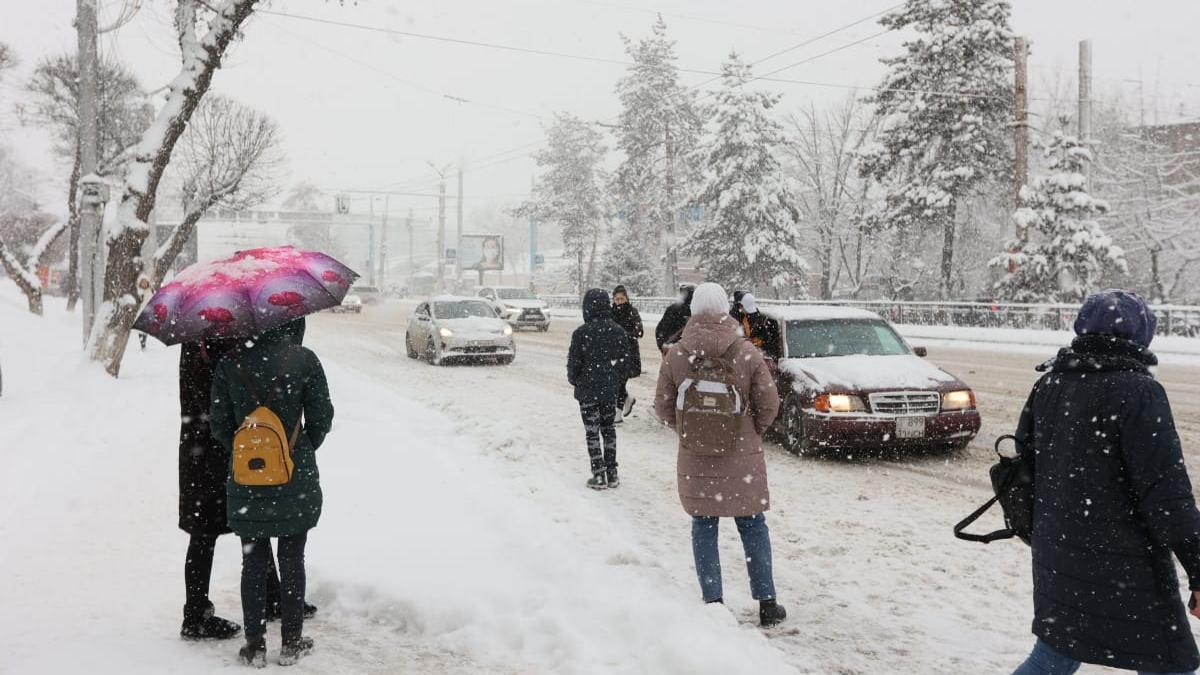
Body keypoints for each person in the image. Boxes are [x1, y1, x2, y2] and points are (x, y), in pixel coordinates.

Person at [1012, 290, 1200, 675]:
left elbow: (1025, 472)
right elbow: (1167, 495)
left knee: (1053, 656)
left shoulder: (1049, 384)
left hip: (1060, 558)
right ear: (1141, 336)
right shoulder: (1140, 392)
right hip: (1126, 568)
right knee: (1169, 661)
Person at [654, 282, 786, 627]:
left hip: (696, 453)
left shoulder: (677, 353)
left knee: (703, 524)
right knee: (753, 525)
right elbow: (770, 404)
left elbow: (663, 406)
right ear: (726, 309)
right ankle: (767, 602)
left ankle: (714, 601)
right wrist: (750, 429)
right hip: (743, 455)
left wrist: (689, 430)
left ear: (694, 310)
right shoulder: (746, 352)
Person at [210, 317, 334, 667]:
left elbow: (219, 423)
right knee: (293, 558)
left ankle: (255, 646)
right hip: (295, 476)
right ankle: (291, 643)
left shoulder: (229, 363)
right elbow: (322, 416)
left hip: (247, 478)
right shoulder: (303, 359)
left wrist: (249, 452)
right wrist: (299, 450)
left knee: (253, 560)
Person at [178, 339, 242, 641]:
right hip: (218, 450)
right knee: (250, 524)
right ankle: (195, 615)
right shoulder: (217, 345)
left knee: (204, 535)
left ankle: (195, 612)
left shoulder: (195, 340)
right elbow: (221, 401)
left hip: (199, 450)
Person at [567, 288, 630, 489]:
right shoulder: (618, 331)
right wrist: (614, 379)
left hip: (587, 390)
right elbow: (624, 364)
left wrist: (576, 380)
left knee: (592, 431)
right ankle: (612, 472)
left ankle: (598, 473)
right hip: (609, 390)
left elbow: (574, 364)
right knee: (608, 429)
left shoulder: (581, 333)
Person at [611, 285, 644, 420]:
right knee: (615, 382)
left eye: (622, 299)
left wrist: (624, 335)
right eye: (616, 299)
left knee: (619, 381)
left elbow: (639, 332)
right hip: (613, 353)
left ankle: (617, 414)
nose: (619, 302)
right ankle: (627, 400)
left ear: (626, 298)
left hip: (628, 352)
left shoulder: (632, 311)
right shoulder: (609, 312)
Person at [730, 291, 780, 358]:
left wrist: (758, 342)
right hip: (740, 353)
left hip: (753, 352)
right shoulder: (733, 318)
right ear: (740, 306)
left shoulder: (755, 315)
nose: (749, 312)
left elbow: (763, 334)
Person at [654, 283, 695, 351]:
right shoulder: (699, 310)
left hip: (674, 349)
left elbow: (661, 329)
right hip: (693, 350)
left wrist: (662, 345)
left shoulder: (673, 309)